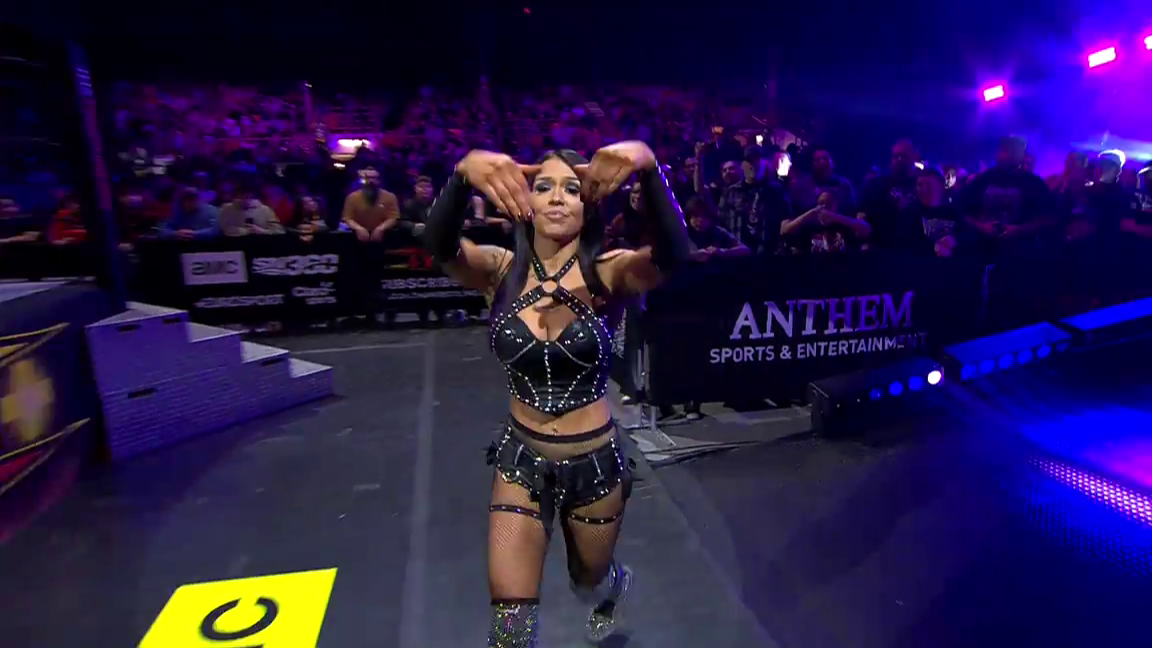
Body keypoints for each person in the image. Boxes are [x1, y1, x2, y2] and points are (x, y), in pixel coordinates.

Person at [424, 141, 690, 646]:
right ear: (523, 198)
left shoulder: (609, 271)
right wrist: (461, 175)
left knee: (587, 579)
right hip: (520, 462)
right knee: (510, 626)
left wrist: (648, 166)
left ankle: (612, 586)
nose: (556, 198)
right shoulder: (500, 270)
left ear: (589, 205)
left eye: (572, 188)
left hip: (595, 464)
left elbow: (675, 255)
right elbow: (439, 247)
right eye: (543, 185)